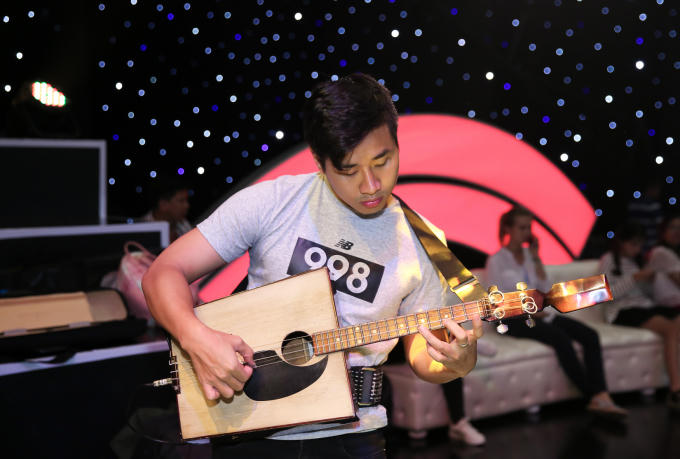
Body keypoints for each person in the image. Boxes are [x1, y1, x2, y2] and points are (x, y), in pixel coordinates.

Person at [142, 73, 483, 458]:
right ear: (320, 162)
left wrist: (457, 361)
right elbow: (162, 274)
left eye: (383, 161)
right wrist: (196, 338)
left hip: (355, 437)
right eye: (348, 170)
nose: (370, 185)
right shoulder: (273, 202)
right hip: (252, 429)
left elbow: (422, 351)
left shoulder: (424, 240)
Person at [485, 206, 628, 419]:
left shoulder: (530, 256)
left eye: (529, 228)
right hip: (513, 319)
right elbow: (497, 301)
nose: (526, 233)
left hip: (541, 313)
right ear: (508, 229)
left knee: (590, 336)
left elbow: (545, 287)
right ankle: (593, 396)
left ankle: (601, 394)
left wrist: (536, 259)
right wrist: (529, 310)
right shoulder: (496, 261)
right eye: (522, 228)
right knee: (561, 339)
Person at [598, 222, 680, 411]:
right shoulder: (609, 260)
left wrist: (649, 281)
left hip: (645, 306)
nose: (636, 249)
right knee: (670, 329)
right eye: (633, 244)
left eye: (640, 245)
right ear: (622, 242)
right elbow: (605, 294)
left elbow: (645, 294)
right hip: (623, 310)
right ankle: (676, 389)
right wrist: (634, 278)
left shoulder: (637, 262)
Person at [646, 214, 680, 307]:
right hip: (670, 306)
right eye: (672, 227)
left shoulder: (673, 254)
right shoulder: (660, 252)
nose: (677, 231)